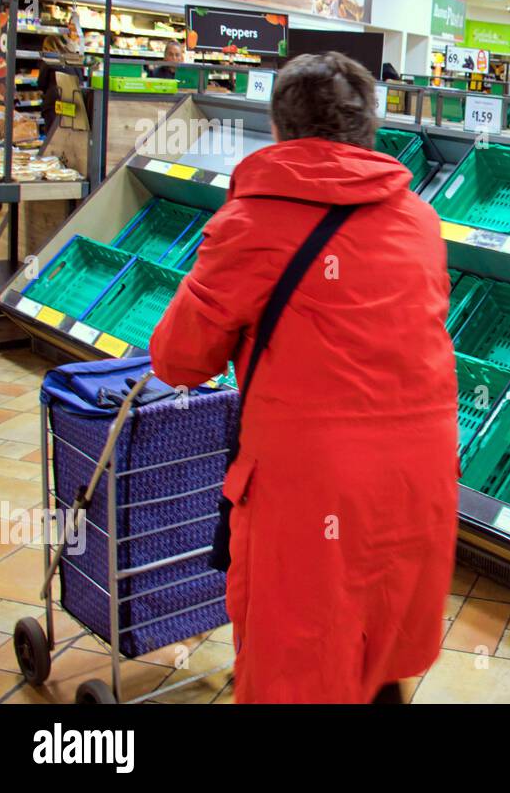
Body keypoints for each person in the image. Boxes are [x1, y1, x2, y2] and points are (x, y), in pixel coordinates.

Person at [150, 51, 459, 704]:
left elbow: (179, 359)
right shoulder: (421, 223)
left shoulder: (251, 221)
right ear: (369, 124)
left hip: (310, 487)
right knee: (379, 647)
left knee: (299, 658)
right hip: (416, 478)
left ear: (279, 125)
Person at [37, 35, 83, 131]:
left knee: (52, 133)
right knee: (67, 132)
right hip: (72, 100)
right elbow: (80, 79)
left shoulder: (49, 59)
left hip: (54, 102)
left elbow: (41, 83)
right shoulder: (73, 59)